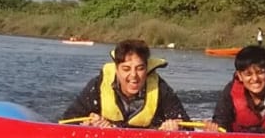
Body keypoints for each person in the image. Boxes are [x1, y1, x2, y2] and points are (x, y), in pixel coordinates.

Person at [61, 39, 190, 130]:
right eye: (126, 69)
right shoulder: (98, 85)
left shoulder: (161, 89)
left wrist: (174, 128)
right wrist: (87, 125)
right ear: (117, 69)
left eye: (140, 69)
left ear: (147, 69)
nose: (133, 76)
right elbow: (66, 121)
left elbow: (188, 128)